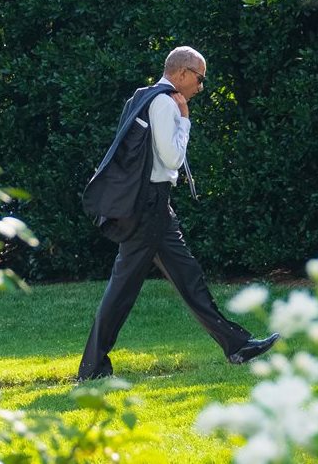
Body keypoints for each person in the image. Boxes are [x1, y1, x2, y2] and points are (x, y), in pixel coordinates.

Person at [77, 46, 279, 380]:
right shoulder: (165, 103)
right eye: (200, 79)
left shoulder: (145, 97)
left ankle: (236, 345)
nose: (200, 87)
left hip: (152, 204)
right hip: (150, 207)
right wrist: (184, 121)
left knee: (186, 279)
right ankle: (92, 367)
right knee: (126, 288)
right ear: (182, 73)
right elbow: (171, 159)